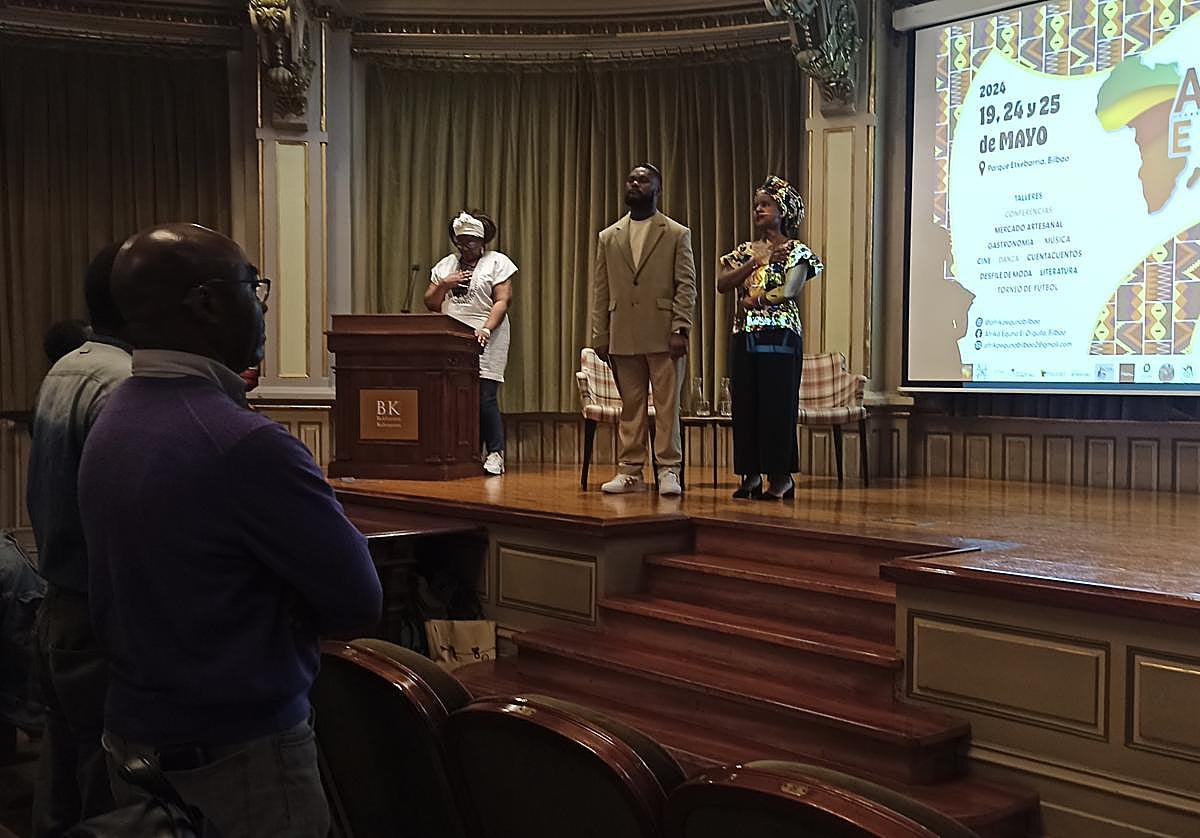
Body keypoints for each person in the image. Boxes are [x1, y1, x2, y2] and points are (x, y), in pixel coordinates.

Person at [77, 224, 382, 838]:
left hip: (138, 743)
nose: (262, 305)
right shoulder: (244, 444)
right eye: (253, 286)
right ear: (207, 303)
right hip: (240, 761)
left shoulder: (114, 418)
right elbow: (359, 602)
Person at [26, 243, 129, 836]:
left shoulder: (69, 366)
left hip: (59, 606)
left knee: (61, 778)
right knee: (104, 790)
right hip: (99, 618)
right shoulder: (121, 383)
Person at [591, 164, 697, 496]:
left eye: (644, 180)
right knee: (631, 408)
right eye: (631, 179)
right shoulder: (609, 236)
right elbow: (601, 288)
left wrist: (680, 328)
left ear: (657, 189)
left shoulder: (676, 232)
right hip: (623, 333)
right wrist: (600, 334)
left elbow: (686, 285)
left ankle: (668, 470)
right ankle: (630, 472)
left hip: (665, 334)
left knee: (667, 407)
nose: (635, 184)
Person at [716, 175, 823, 501]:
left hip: (781, 336)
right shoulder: (746, 251)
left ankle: (780, 477)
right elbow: (723, 284)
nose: (758, 210)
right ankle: (750, 475)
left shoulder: (797, 251)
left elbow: (790, 290)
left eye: (766, 204)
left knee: (777, 405)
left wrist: (758, 299)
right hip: (744, 333)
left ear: (783, 210)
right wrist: (755, 262)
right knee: (745, 404)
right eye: (756, 205)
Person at [425, 210, 516, 476]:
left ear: (482, 240)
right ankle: (465, 452)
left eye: (471, 241)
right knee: (455, 396)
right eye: (460, 241)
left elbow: (502, 301)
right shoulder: (446, 265)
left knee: (485, 396)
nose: (465, 246)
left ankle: (495, 453)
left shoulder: (497, 262)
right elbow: (431, 303)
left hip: (487, 335)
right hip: (453, 339)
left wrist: (486, 328)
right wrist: (444, 284)